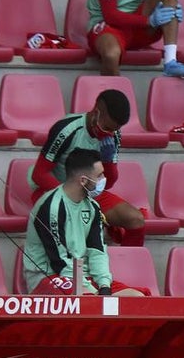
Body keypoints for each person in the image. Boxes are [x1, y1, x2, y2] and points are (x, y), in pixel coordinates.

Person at [29, 88, 145, 247]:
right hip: (57, 191)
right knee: (76, 226)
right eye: (107, 128)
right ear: (96, 113)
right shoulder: (67, 129)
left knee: (135, 219)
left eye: (114, 129)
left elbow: (108, 183)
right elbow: (39, 174)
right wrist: (71, 196)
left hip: (89, 193)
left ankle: (130, 261)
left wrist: (108, 161)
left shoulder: (114, 135)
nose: (110, 133)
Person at [23, 149, 146, 297]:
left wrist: (104, 285)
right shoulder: (51, 206)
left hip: (85, 277)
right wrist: (94, 293)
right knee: (89, 301)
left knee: (137, 297)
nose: (103, 179)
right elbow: (60, 262)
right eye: (99, 175)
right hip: (51, 276)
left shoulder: (93, 206)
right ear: (83, 180)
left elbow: (97, 251)